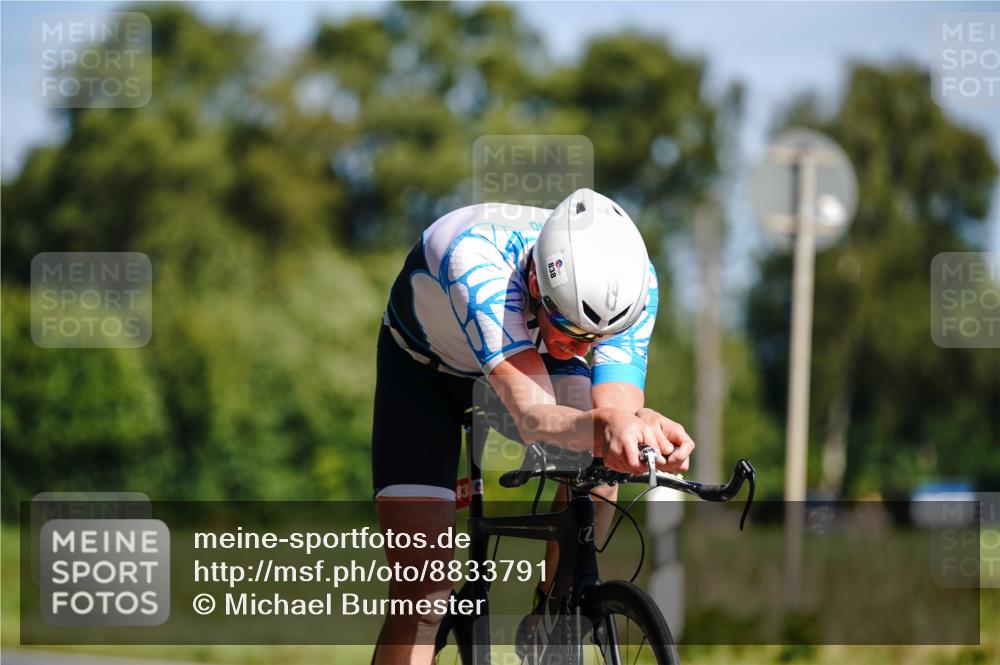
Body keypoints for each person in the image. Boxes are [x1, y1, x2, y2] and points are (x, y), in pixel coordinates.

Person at [370, 188, 695, 664]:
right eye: (573, 330)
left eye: (598, 339)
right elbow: (534, 415)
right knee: (423, 594)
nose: (585, 349)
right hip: (425, 375)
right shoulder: (474, 257)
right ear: (536, 285)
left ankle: (554, 610)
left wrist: (644, 426)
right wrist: (605, 425)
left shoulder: (632, 282)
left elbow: (614, 411)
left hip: (535, 353)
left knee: (609, 448)